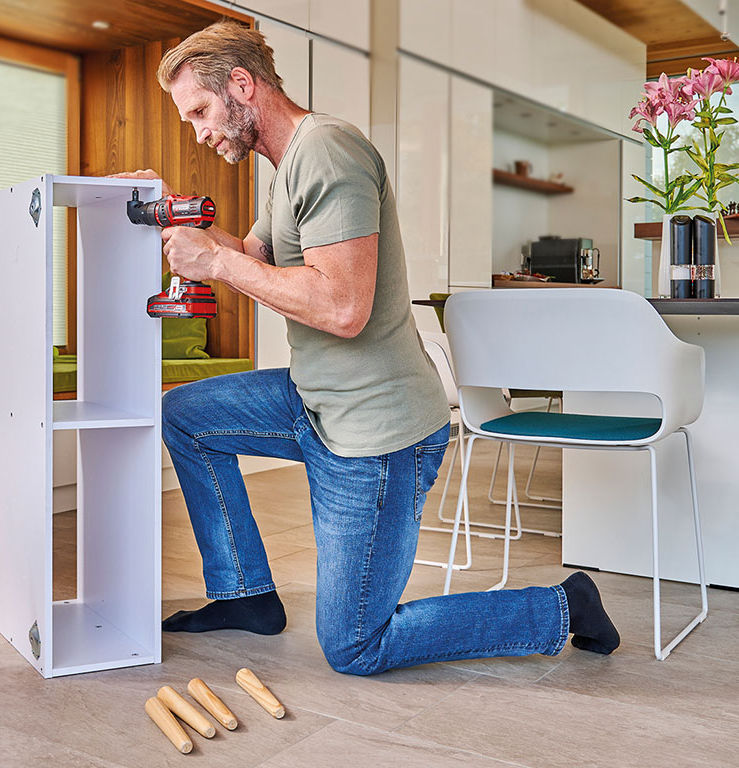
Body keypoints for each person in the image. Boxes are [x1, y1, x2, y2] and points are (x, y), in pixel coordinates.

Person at [114, 21, 619, 674]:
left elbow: (342, 308)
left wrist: (213, 263)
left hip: (376, 435)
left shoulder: (329, 152)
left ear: (242, 86)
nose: (201, 132)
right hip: (315, 401)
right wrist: (175, 211)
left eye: (202, 112)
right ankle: (245, 595)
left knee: (356, 644)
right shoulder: (289, 164)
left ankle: (561, 606)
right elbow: (255, 256)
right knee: (185, 415)